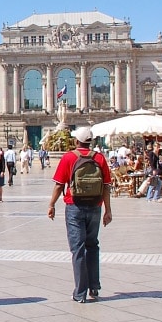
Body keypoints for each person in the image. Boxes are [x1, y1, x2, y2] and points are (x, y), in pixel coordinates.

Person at [47, 127, 113, 302]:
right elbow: (106, 186)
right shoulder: (99, 158)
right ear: (90, 141)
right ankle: (95, 287)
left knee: (78, 249)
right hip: (95, 206)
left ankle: (80, 293)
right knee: (92, 245)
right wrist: (108, 210)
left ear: (77, 141)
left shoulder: (69, 157)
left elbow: (59, 185)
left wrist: (51, 204)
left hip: (74, 206)